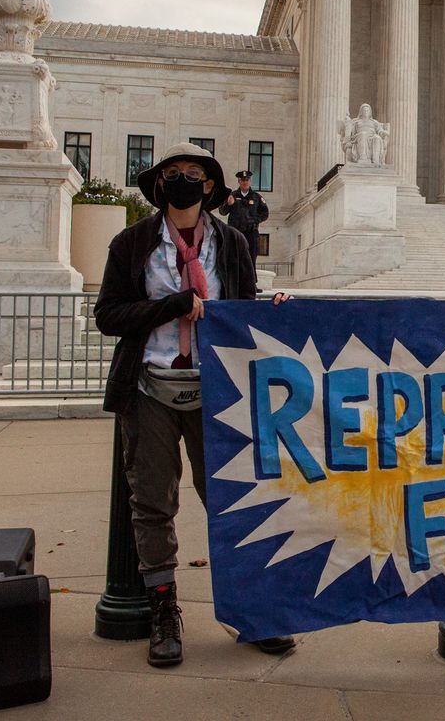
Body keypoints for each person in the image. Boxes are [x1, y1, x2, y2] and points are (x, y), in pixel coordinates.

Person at [93, 142, 294, 667]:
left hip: (216, 392)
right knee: (153, 504)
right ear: (160, 183)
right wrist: (170, 307)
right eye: (174, 172)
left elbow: (242, 310)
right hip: (150, 387)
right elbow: (109, 315)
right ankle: (164, 611)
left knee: (233, 501)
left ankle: (250, 611)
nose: (184, 180)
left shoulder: (230, 241)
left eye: (194, 173)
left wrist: (276, 313)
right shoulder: (132, 242)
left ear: (209, 186)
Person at [217, 169, 268, 283]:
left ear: (250, 181)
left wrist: (255, 221)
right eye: (242, 180)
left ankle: (251, 285)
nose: (245, 182)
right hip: (235, 233)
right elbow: (222, 212)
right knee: (234, 258)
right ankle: (234, 284)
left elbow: (265, 213)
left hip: (251, 233)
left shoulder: (256, 197)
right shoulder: (232, 195)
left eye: (247, 180)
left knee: (251, 258)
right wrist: (228, 204)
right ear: (239, 182)